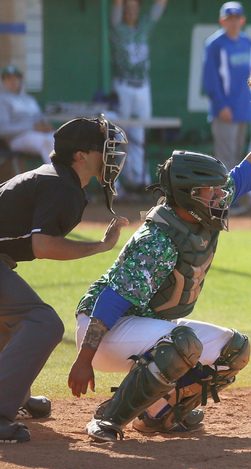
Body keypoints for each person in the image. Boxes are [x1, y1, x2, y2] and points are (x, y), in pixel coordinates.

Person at [67, 97, 251, 443]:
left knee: (234, 348)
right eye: (212, 191)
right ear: (189, 194)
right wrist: (84, 359)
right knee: (183, 343)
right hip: (103, 330)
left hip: (144, 327)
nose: (220, 196)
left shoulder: (200, 212)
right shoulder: (157, 239)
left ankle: (160, 414)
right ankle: (108, 418)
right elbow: (111, 299)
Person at [0, 116, 129, 443]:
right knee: (44, 322)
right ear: (81, 156)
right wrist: (100, 247)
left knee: (9, 321)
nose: (111, 156)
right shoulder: (61, 185)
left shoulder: (57, 178)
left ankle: (17, 396)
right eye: (103, 149)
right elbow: (43, 245)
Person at [202, 2, 251, 213]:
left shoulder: (247, 42)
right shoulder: (214, 44)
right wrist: (220, 105)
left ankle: (231, 201)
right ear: (222, 21)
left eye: (237, 18)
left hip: (244, 109)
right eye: (229, 19)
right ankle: (219, 204)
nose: (233, 22)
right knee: (224, 160)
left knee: (237, 158)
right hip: (224, 110)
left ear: (242, 20)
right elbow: (210, 80)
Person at [110, 0, 168, 196]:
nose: (131, 11)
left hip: (143, 85)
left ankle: (139, 178)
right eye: (128, 8)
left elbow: (157, 9)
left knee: (140, 132)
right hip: (123, 85)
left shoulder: (143, 27)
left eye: (134, 8)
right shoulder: (118, 28)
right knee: (121, 134)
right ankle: (124, 179)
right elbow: (116, 10)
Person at [0, 65, 55, 164]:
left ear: (20, 80)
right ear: (3, 82)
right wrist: (32, 127)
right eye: (9, 79)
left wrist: (46, 125)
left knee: (63, 139)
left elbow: (41, 118)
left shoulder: (29, 99)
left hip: (38, 133)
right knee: (46, 141)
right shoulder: (2, 100)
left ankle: (72, 176)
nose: (13, 82)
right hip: (17, 138)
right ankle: (58, 177)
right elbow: (2, 130)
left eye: (15, 78)